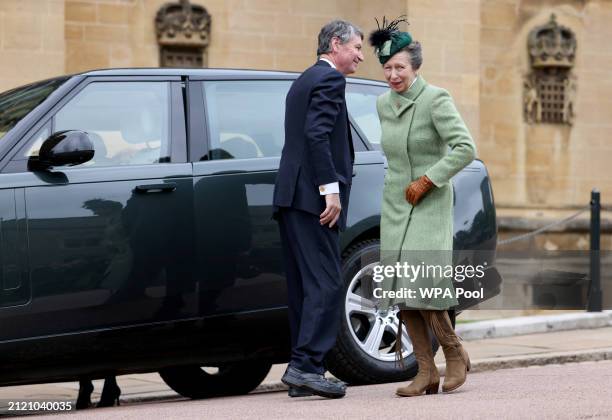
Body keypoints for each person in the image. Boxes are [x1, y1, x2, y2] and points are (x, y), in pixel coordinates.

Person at [369, 17, 476, 397]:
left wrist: (428, 180)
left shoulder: (436, 99)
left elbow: (465, 149)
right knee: (401, 287)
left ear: (415, 68)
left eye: (400, 67)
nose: (393, 75)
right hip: (396, 204)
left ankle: (454, 352)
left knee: (426, 281)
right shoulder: (383, 104)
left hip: (429, 200)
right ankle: (426, 371)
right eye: (388, 68)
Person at [273, 19, 363, 399]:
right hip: (313, 199)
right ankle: (306, 366)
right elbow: (317, 135)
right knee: (326, 282)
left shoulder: (303, 79)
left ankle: (302, 370)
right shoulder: (330, 80)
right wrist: (330, 191)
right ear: (336, 44)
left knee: (305, 286)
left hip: (291, 197)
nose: (360, 54)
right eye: (357, 47)